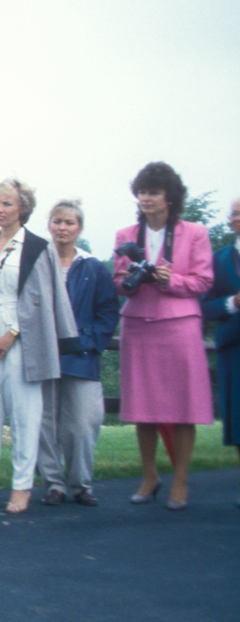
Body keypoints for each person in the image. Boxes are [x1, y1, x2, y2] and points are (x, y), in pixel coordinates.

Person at [0, 179, 79, 514]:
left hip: (24, 337)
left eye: (7, 204)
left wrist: (12, 334)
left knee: (25, 416)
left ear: (22, 208)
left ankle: (22, 487)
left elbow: (44, 299)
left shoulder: (38, 248)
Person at [115, 162, 214, 509]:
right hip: (138, 326)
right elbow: (117, 282)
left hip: (179, 326)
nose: (146, 198)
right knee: (143, 407)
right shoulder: (126, 235)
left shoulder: (195, 233)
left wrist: (167, 279)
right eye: (142, 192)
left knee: (184, 407)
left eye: (153, 192)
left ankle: (181, 480)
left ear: (170, 196)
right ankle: (149, 476)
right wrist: (132, 278)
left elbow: (203, 281)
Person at [37, 199, 119, 506]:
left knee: (83, 422)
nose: (62, 228)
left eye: (69, 222)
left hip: (81, 357)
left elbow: (108, 311)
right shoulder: (36, 262)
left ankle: (81, 484)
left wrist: (90, 342)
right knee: (45, 423)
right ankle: (54, 485)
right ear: (49, 224)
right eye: (57, 221)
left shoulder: (93, 267)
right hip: (43, 355)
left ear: (79, 228)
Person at [201, 196, 240, 499]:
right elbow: (205, 306)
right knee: (238, 418)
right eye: (235, 213)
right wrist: (232, 302)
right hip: (233, 347)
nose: (237, 217)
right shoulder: (219, 259)